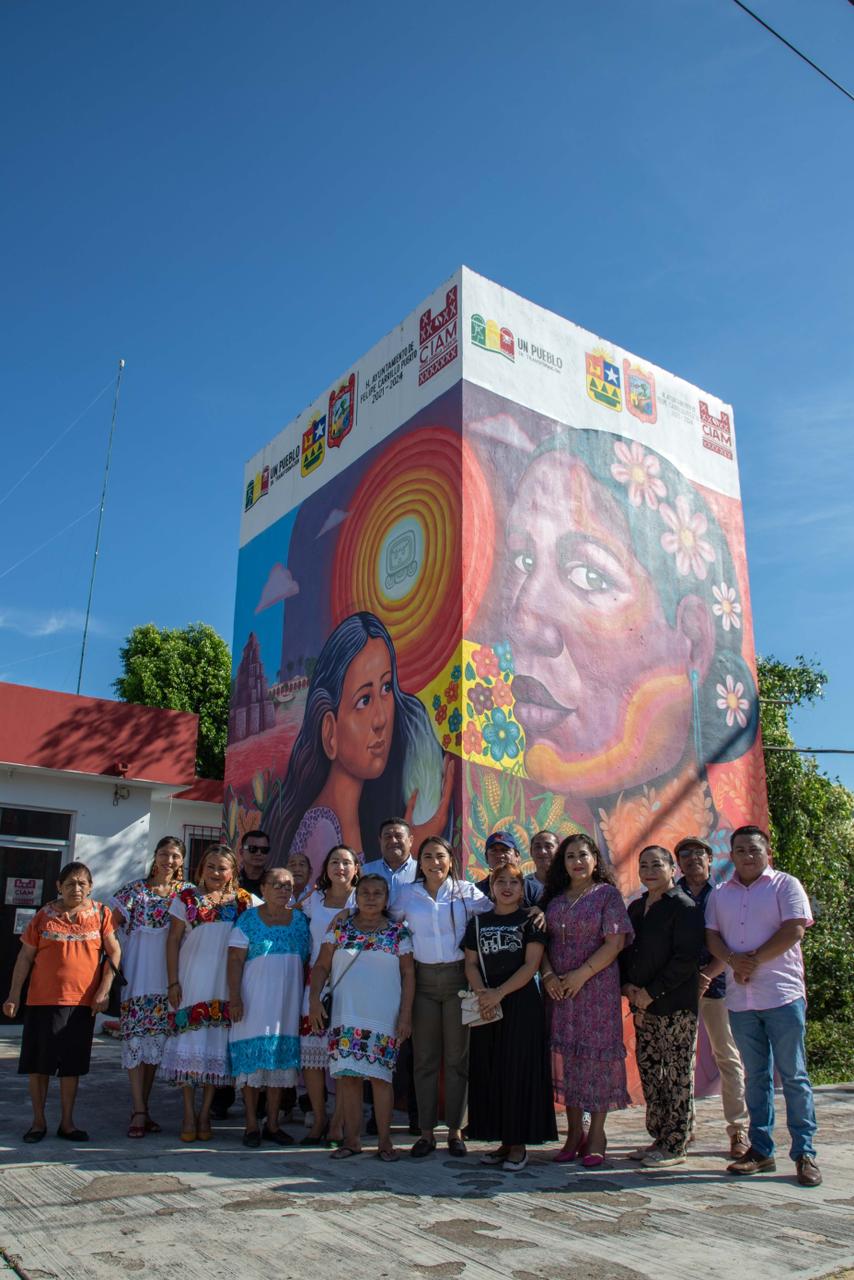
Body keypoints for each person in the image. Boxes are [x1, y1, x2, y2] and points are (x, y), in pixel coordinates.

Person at [471, 412, 759, 883]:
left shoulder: (728, 887)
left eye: (589, 575)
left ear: (692, 640)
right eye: (523, 560)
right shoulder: (549, 883)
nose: (523, 620)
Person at [268, 612, 454, 879]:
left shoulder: (354, 815)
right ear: (330, 731)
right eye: (364, 700)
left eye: (387, 687)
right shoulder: (322, 828)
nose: (381, 719)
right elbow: (331, 907)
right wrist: (415, 852)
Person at [705, 825, 821, 1187]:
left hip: (782, 997)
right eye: (740, 850)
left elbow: (794, 930)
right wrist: (731, 960)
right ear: (732, 855)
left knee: (794, 1076)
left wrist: (750, 960)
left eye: (754, 849)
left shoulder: (786, 885)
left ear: (766, 851)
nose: (747, 856)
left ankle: (804, 1152)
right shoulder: (720, 894)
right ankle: (761, 1149)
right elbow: (712, 936)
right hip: (741, 1002)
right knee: (755, 1077)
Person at [3, 861, 120, 1143]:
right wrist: (13, 995)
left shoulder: (101, 914)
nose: (76, 888)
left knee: (72, 1067)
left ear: (90, 886)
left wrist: (103, 990)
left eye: (82, 883)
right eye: (69, 883)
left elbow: (114, 953)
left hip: (81, 1004)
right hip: (42, 1001)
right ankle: (38, 1122)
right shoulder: (43, 916)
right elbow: (24, 958)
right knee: (38, 1065)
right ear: (59, 886)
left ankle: (67, 1123)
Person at [391, 835, 492, 1158]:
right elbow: (387, 922)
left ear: (451, 860)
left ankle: (455, 1130)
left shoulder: (466, 892)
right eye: (428, 857)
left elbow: (495, 913)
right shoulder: (408, 894)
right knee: (424, 1059)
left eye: (441, 856)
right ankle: (425, 1132)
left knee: (457, 1059)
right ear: (419, 863)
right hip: (421, 981)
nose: (435, 862)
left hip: (457, 979)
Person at [542, 833, 633, 1166]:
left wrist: (580, 975)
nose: (576, 862)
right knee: (570, 1059)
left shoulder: (606, 896)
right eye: (569, 856)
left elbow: (615, 943)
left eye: (583, 855)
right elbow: (542, 944)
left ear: (595, 859)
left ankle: (597, 1134)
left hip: (596, 988)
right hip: (561, 991)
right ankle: (572, 1133)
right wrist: (550, 975)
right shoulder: (555, 900)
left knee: (596, 1061)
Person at [309, 874, 414, 1160]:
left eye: (377, 893)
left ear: (386, 899)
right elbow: (320, 967)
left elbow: (408, 974)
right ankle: (351, 1141)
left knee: (382, 1080)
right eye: (364, 892)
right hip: (346, 1016)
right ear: (356, 896)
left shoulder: (397, 932)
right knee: (348, 1079)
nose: (370, 897)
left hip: (383, 1017)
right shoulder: (340, 927)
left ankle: (384, 1142)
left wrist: (405, 1015)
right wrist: (313, 1000)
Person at [160, 843, 256, 1141]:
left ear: (232, 872)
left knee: (215, 1050)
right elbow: (173, 941)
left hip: (226, 985)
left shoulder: (245, 902)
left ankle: (205, 1115)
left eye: (222, 867)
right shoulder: (185, 898)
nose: (216, 872)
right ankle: (189, 1114)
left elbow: (279, 910)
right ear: (201, 869)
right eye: (211, 866)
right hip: (191, 982)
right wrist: (173, 981)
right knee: (190, 1048)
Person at [463, 865, 556, 1171]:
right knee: (492, 1070)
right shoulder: (479, 922)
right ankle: (502, 1140)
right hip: (487, 1004)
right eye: (500, 881)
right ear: (491, 887)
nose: (506, 887)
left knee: (519, 1070)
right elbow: (471, 963)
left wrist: (499, 993)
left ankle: (519, 1144)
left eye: (513, 882)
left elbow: (532, 965)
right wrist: (483, 994)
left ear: (521, 888)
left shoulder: (530, 920)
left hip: (521, 1004)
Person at [620, 844, 705, 1168]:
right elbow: (629, 952)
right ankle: (659, 1136)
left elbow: (685, 960)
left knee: (676, 1075)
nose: (650, 870)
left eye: (657, 864)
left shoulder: (684, 907)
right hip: (642, 1008)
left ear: (673, 869)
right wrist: (627, 985)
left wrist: (650, 993)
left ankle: (676, 1143)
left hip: (675, 1007)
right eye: (644, 864)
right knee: (652, 1073)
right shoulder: (637, 908)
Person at [675, 835, 749, 1158]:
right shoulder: (671, 895)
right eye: (685, 854)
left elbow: (730, 943)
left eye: (698, 853)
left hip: (717, 987)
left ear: (710, 858)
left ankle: (738, 1130)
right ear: (678, 863)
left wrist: (708, 975)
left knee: (727, 1057)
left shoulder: (723, 895)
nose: (692, 859)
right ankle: (682, 1128)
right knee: (680, 1061)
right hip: (677, 989)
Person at [111, 835, 190, 1138]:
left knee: (155, 1046)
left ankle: (142, 1107)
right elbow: (109, 926)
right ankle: (139, 1109)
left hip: (169, 979)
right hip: (138, 976)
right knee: (135, 1041)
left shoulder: (186, 894)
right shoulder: (135, 892)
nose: (169, 861)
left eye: (175, 856)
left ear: (182, 861)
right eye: (164, 854)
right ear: (155, 856)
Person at [227, 865, 310, 1147]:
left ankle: (272, 1124)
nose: (283, 889)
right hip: (253, 1002)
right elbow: (235, 961)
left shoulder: (300, 921)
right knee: (252, 1066)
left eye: (288, 885)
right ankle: (251, 1124)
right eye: (277, 884)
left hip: (286, 1004)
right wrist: (235, 998)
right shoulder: (247, 920)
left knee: (277, 1065)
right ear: (262, 889)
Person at [361, 816, 419, 1134]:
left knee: (409, 1041)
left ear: (411, 840)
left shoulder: (422, 871)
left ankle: (414, 1111)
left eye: (399, 836)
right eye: (387, 836)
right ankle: (374, 1112)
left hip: (414, 964)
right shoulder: (367, 870)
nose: (393, 841)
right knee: (374, 1037)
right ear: (379, 840)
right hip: (374, 966)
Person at [298, 844, 359, 1144]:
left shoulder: (364, 898)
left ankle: (339, 1120)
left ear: (356, 869)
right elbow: (290, 917)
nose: (341, 867)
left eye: (347, 862)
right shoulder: (314, 900)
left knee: (345, 1054)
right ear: (326, 869)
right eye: (334, 861)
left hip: (353, 984)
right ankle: (319, 1117)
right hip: (317, 982)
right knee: (313, 1055)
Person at [475, 831, 542, 907]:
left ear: (517, 856)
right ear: (486, 858)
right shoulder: (476, 891)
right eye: (494, 851)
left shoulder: (533, 890)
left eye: (505, 850)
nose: (500, 855)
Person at [524, 829, 559, 904]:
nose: (542, 851)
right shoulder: (525, 886)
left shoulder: (569, 884)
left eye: (548, 846)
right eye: (537, 847)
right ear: (531, 852)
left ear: (558, 851)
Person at [238, 829, 272, 896]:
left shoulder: (274, 884)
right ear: (241, 852)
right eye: (252, 849)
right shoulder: (231, 882)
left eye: (264, 850)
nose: (258, 853)